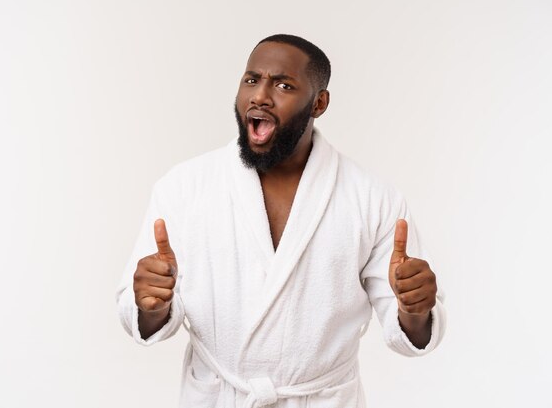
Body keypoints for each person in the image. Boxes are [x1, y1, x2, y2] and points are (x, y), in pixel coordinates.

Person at [116, 34, 446, 408]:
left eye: (284, 85)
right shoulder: (184, 187)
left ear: (318, 103)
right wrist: (150, 305)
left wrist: (414, 310)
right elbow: (142, 318)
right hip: (218, 397)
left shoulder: (373, 199)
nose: (260, 96)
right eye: (251, 79)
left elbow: (412, 334)